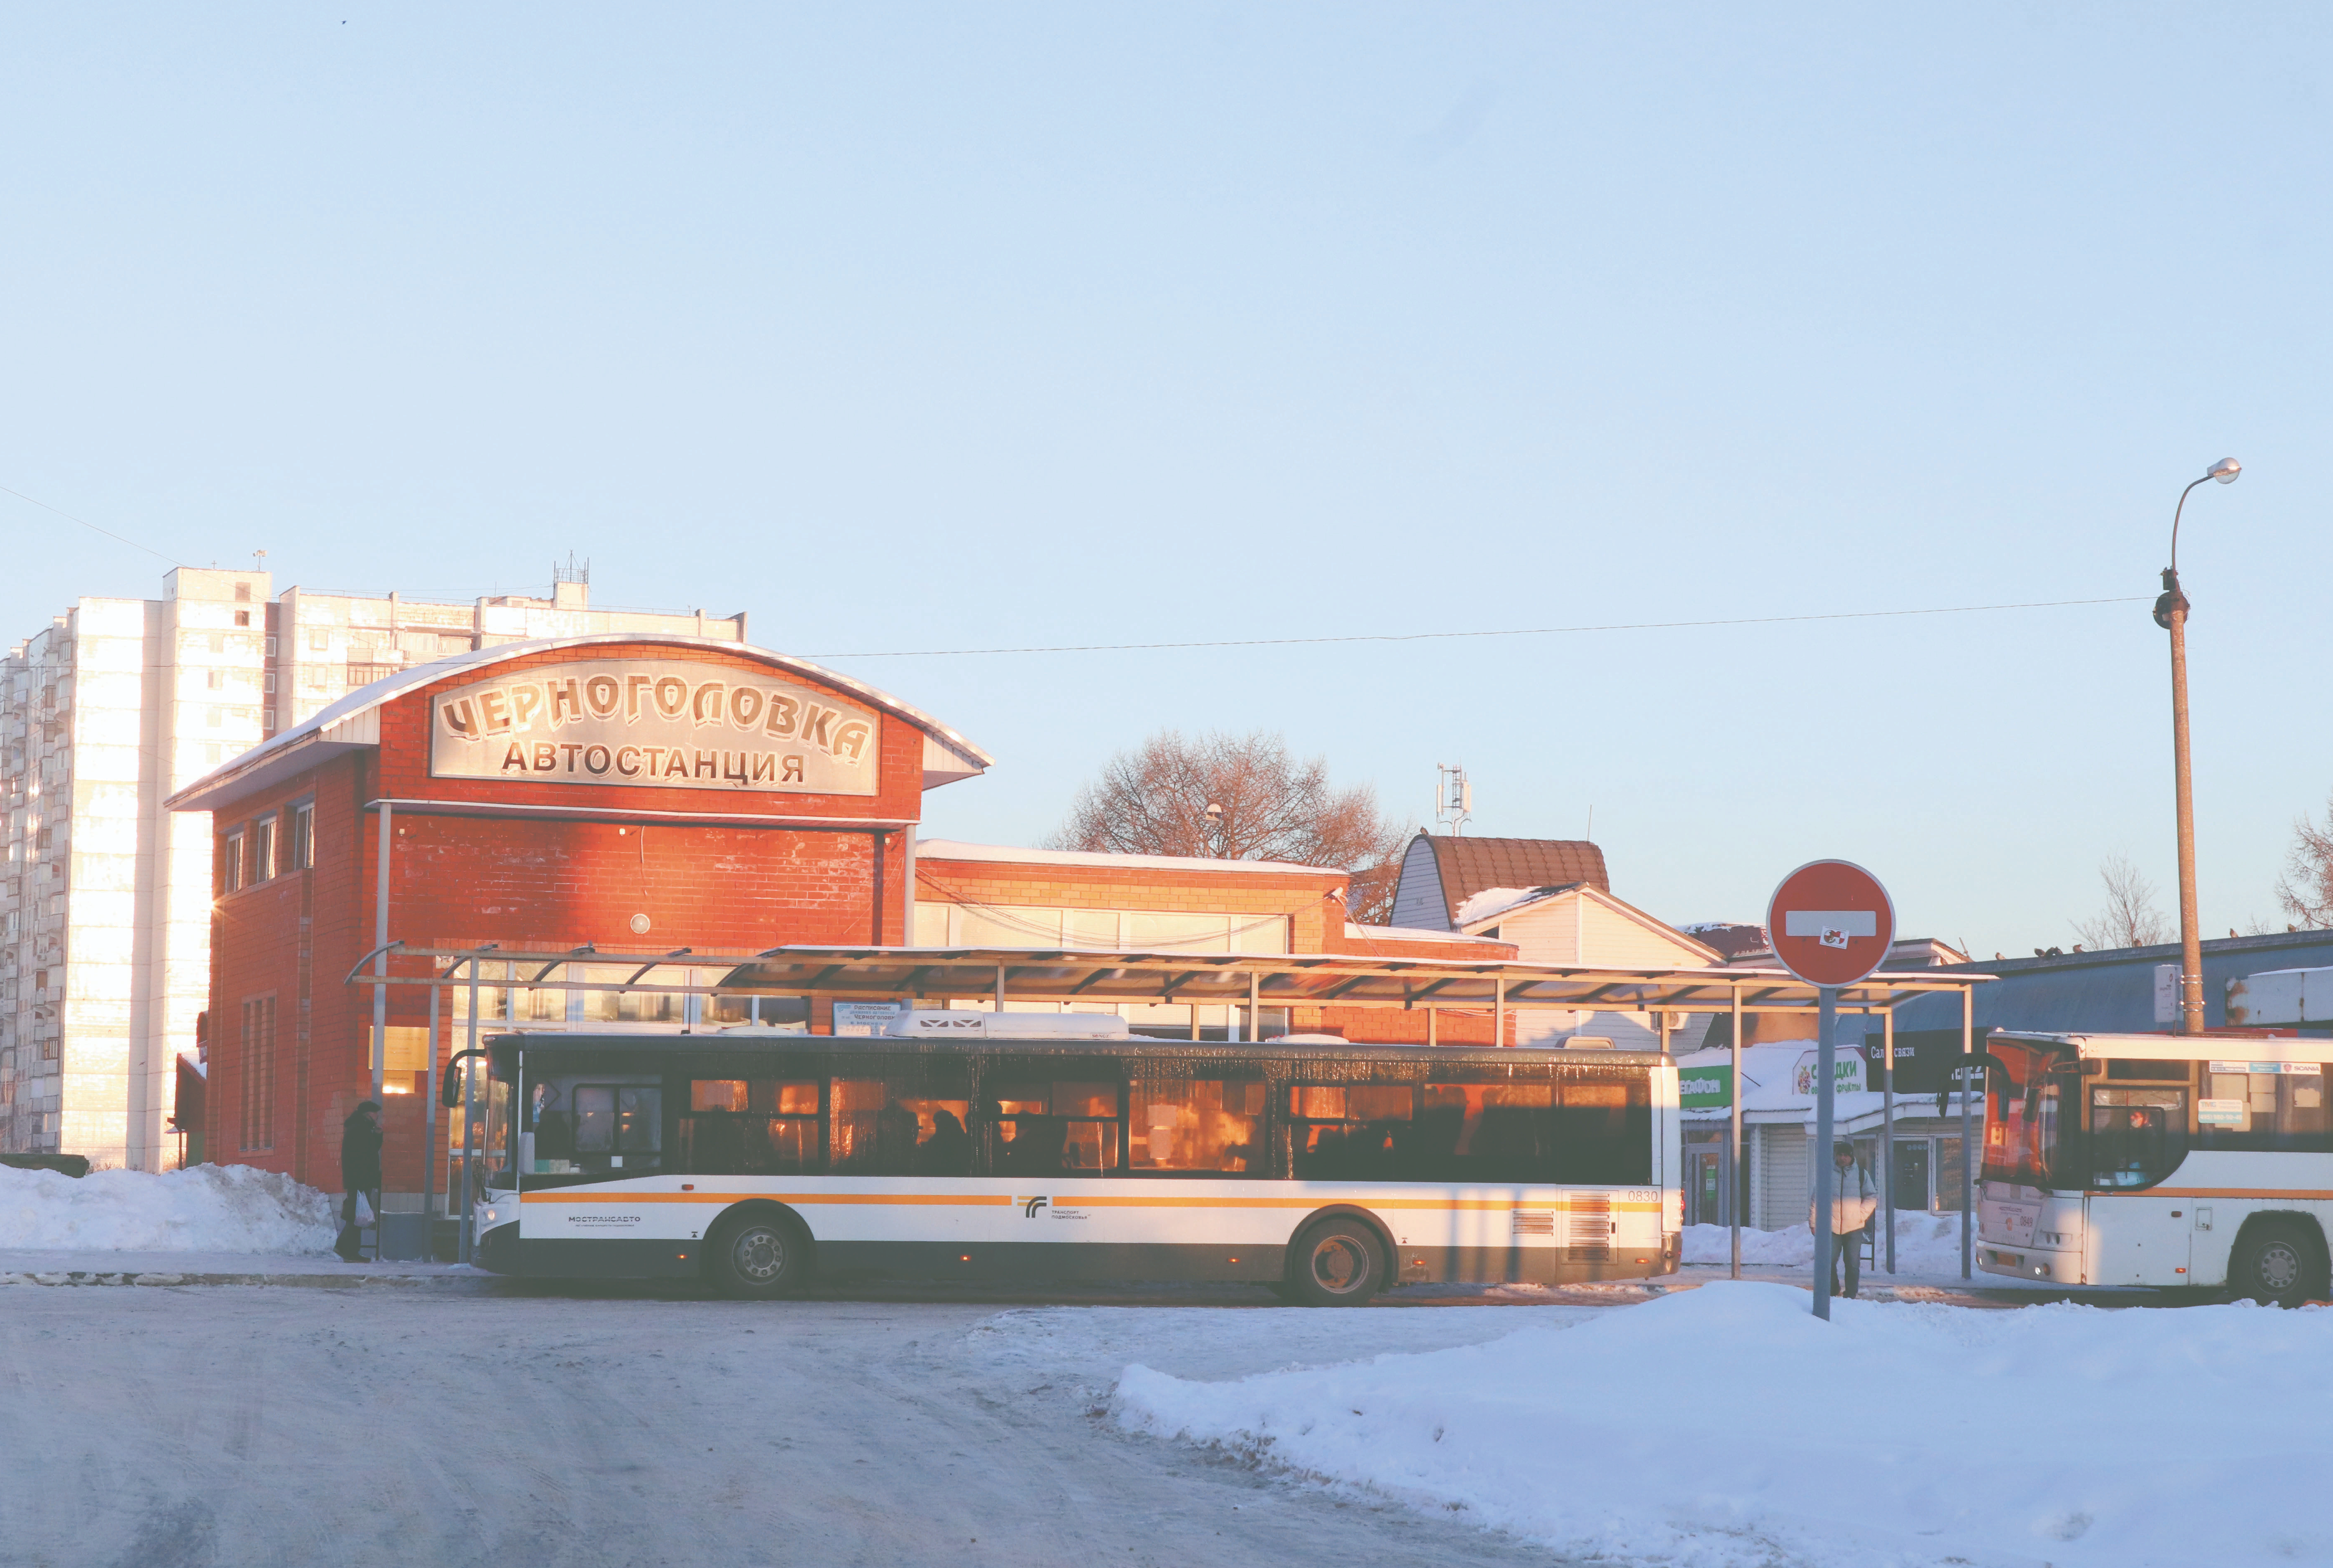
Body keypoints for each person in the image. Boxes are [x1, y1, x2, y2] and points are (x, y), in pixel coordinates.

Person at [1810, 1140, 1878, 1298]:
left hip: (1854, 1227)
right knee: (1829, 1261)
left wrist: (1861, 1215)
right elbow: (1816, 1199)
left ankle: (1851, 1294)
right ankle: (1833, 1289)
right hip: (1831, 1226)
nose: (1842, 1158)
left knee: (1853, 1264)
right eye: (1840, 1155)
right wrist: (1814, 1222)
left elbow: (1872, 1196)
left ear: (1851, 1157)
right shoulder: (1827, 1174)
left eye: (1846, 1155)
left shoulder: (1861, 1174)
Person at [336, 1099, 384, 1262]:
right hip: (359, 1180)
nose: (377, 1117)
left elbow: (369, 1151)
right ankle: (349, 1252)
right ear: (369, 1114)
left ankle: (344, 1248)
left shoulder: (360, 1128)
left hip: (359, 1179)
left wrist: (377, 1136)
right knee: (357, 1216)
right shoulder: (359, 1129)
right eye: (376, 1114)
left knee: (355, 1215)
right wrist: (363, 1181)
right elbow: (363, 1156)